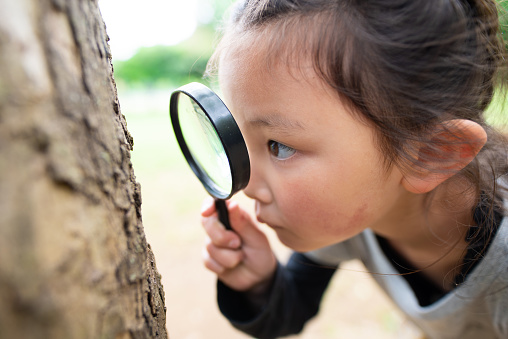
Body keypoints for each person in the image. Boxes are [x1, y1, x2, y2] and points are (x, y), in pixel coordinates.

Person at [200, 0, 508, 338]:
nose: (247, 185)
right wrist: (259, 283)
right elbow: (294, 303)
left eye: (280, 146)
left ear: (432, 154)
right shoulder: (359, 211)